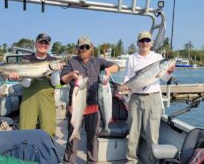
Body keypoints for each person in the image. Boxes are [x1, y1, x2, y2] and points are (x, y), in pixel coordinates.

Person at [60, 36, 119, 164]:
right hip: (75, 107)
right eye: (82, 47)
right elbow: (62, 79)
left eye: (87, 47)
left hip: (93, 107)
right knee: (72, 137)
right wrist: (71, 75)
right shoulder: (71, 62)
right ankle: (69, 161)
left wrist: (109, 70)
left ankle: (92, 161)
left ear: (91, 48)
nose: (84, 49)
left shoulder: (98, 61)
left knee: (93, 138)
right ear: (77, 48)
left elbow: (116, 66)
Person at [123, 31, 175, 164]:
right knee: (133, 133)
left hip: (153, 98)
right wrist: (123, 87)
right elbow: (127, 78)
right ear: (137, 43)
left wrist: (169, 71)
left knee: (153, 135)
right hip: (135, 98)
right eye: (142, 40)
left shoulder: (158, 57)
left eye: (147, 40)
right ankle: (131, 161)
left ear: (151, 43)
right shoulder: (132, 58)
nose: (145, 43)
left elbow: (164, 78)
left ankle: (153, 161)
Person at [9, 33, 63, 137]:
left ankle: (46, 152)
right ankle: (26, 152)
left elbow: (55, 83)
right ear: (35, 43)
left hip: (47, 100)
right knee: (25, 130)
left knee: (48, 131)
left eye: (46, 43)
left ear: (49, 45)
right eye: (41, 42)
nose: (43, 45)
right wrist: (19, 77)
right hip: (29, 99)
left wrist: (56, 71)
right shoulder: (27, 59)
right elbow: (27, 84)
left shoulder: (53, 60)